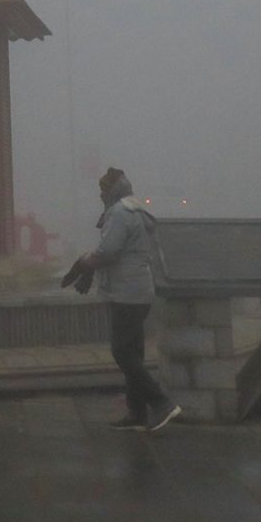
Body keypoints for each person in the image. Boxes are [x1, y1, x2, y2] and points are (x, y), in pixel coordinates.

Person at [77, 167, 179, 431]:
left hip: (126, 292)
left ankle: (161, 403)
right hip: (138, 290)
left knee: (122, 351)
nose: (100, 195)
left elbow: (109, 250)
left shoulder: (120, 213)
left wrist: (86, 263)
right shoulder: (134, 209)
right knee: (133, 352)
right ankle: (137, 412)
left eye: (103, 190)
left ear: (112, 191)